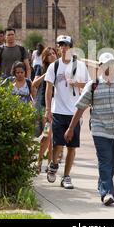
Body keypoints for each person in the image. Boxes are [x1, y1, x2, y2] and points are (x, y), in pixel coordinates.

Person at [65, 53, 114, 206]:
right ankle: (107, 193)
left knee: (113, 161)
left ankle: (102, 184)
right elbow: (80, 107)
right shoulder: (93, 85)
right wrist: (71, 128)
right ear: (100, 66)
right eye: (105, 64)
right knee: (105, 160)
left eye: (111, 64)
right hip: (100, 129)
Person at [44, 35, 90, 189]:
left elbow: (89, 85)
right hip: (58, 110)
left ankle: (66, 176)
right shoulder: (54, 66)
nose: (63, 48)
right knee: (57, 144)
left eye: (66, 45)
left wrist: (76, 83)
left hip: (74, 111)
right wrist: (48, 109)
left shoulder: (80, 66)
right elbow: (49, 89)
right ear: (58, 47)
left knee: (72, 146)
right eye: (61, 45)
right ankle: (54, 163)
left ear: (71, 47)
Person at [32, 47, 58, 173]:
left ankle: (49, 164)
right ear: (45, 58)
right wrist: (46, 74)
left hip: (57, 107)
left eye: (54, 53)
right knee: (47, 135)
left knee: (51, 137)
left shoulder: (61, 69)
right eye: (49, 54)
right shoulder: (40, 68)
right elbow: (34, 83)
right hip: (45, 107)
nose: (53, 56)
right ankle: (39, 162)